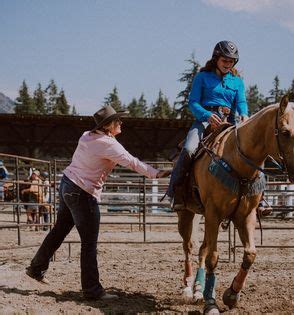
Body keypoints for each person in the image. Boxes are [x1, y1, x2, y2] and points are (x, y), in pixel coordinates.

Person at [26, 105, 170, 300]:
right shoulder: (109, 144)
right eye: (118, 121)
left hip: (68, 184)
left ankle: (36, 268)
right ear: (109, 125)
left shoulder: (87, 135)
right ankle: (92, 290)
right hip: (83, 192)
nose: (121, 123)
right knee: (89, 244)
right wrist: (156, 173)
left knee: (59, 230)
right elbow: (132, 162)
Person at [167, 40, 248, 209]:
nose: (228, 64)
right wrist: (207, 115)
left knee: (253, 148)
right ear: (216, 59)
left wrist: (244, 115)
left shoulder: (237, 81)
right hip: (205, 121)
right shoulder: (202, 77)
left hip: (230, 123)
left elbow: (241, 102)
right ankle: (176, 191)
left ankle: (258, 196)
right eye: (224, 60)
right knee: (189, 149)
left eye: (231, 61)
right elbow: (193, 102)